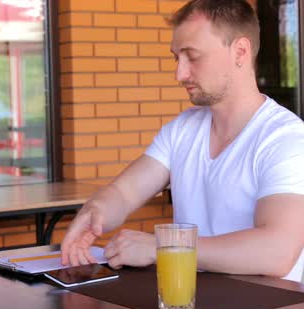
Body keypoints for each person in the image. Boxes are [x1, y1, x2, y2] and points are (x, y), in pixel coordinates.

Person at [60, 0, 304, 282]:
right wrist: (95, 212)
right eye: (177, 57)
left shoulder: (285, 139)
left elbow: (276, 252)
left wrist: (165, 247)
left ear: (240, 51)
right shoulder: (182, 130)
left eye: (193, 57)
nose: (180, 74)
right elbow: (124, 194)